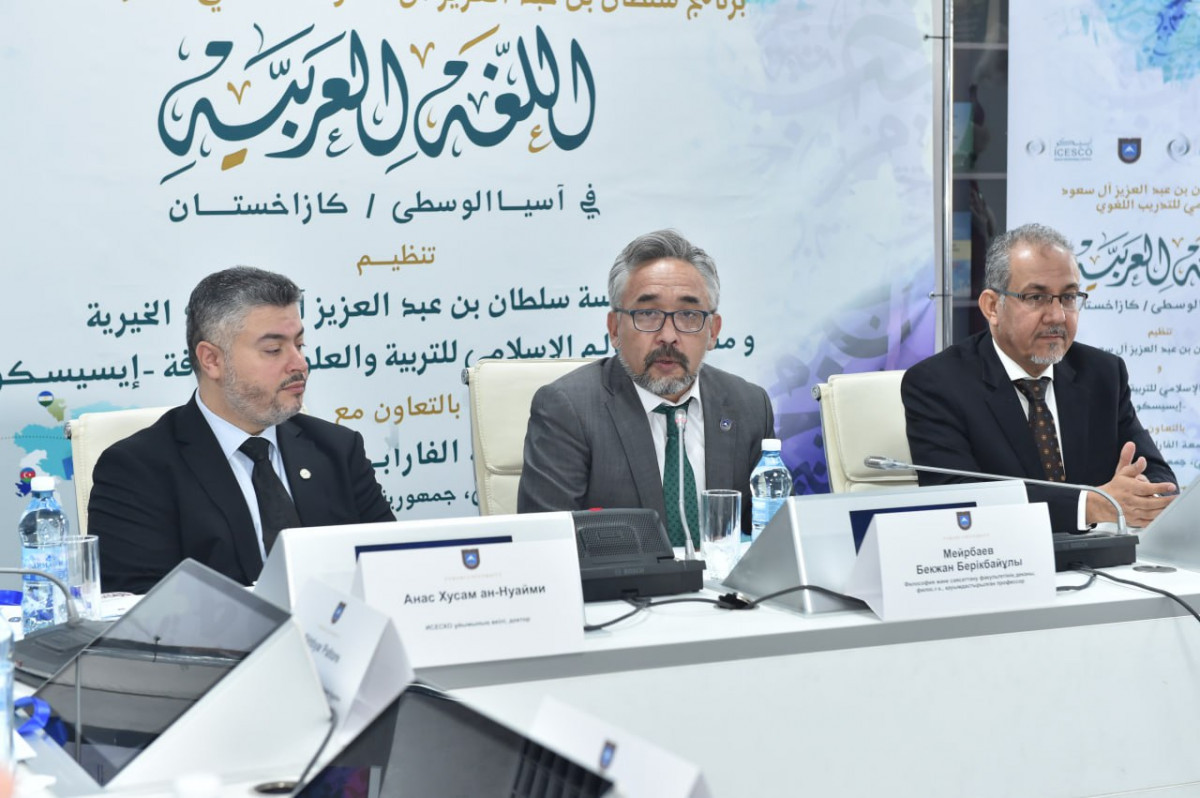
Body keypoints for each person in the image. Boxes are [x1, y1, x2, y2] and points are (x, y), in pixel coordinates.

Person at [90, 267, 395, 594]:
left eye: (300, 344)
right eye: (274, 350)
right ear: (211, 360)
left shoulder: (338, 449)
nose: (300, 364)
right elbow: (140, 605)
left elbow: (390, 566)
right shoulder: (137, 470)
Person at [902, 223, 1176, 533]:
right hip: (1001, 557)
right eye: (1036, 298)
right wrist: (1091, 505)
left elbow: (1161, 480)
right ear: (992, 307)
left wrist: (1142, 495)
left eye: (1068, 297)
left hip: (1099, 559)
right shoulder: (937, 384)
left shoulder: (1103, 373)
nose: (1058, 316)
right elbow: (958, 500)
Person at [517, 229, 775, 544]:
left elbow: (771, 539)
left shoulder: (749, 406)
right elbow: (545, 548)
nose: (668, 336)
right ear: (614, 328)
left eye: (688, 315)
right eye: (648, 313)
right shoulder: (567, 410)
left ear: (713, 331)